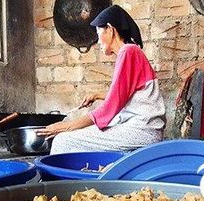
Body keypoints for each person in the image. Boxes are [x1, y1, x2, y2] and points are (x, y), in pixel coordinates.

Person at [37, 5, 166, 154]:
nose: (98, 41)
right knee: (76, 137)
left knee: (63, 141)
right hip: (144, 128)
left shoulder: (128, 52)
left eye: (99, 33)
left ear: (110, 30)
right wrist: (98, 95)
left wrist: (67, 126)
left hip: (142, 129)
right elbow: (126, 94)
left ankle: (62, 178)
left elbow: (111, 106)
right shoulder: (132, 51)